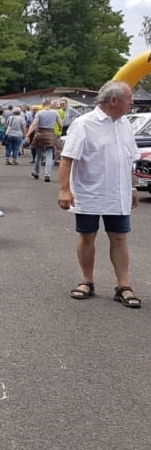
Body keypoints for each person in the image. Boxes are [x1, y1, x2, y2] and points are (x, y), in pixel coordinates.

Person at [59, 80, 141, 308]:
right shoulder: (84, 124)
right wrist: (64, 190)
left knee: (119, 237)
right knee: (87, 236)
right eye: (129, 98)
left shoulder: (125, 124)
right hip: (90, 192)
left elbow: (129, 159)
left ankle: (123, 286)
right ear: (114, 100)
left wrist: (133, 187)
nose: (132, 101)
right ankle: (87, 281)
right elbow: (67, 159)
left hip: (118, 193)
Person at [25, 101, 60, 182]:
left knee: (38, 155)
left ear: (43, 105)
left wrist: (27, 134)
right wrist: (60, 128)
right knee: (49, 155)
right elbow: (60, 123)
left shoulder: (39, 113)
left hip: (40, 134)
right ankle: (47, 175)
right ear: (50, 105)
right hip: (50, 133)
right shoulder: (55, 113)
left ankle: (36, 172)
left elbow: (34, 124)